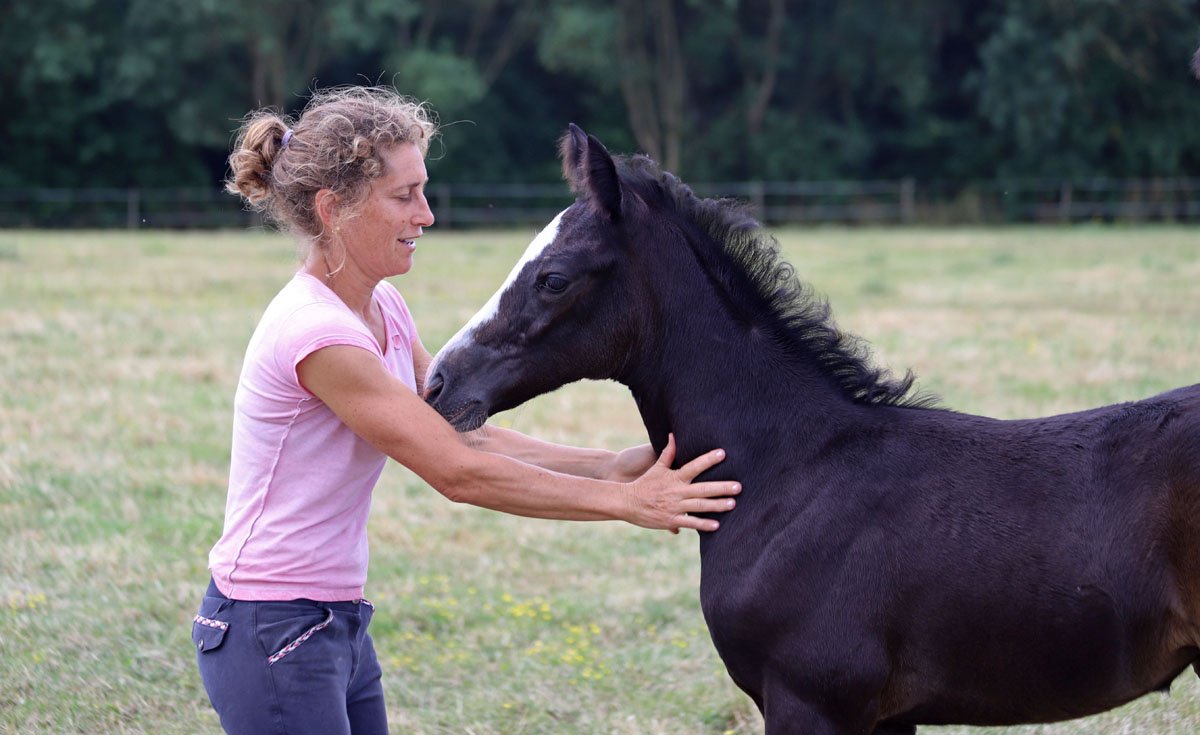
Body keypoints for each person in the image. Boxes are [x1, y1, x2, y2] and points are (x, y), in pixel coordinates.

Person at [192, 86, 740, 735]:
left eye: (423, 191)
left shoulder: (381, 308)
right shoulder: (317, 333)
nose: (425, 215)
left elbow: (464, 435)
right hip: (272, 627)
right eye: (404, 196)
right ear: (333, 208)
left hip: (334, 621)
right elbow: (456, 471)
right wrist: (625, 503)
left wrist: (611, 466)